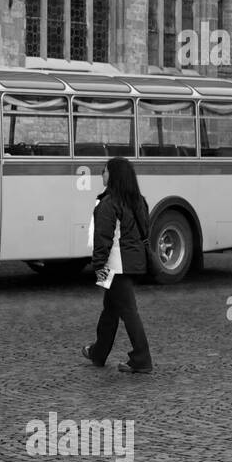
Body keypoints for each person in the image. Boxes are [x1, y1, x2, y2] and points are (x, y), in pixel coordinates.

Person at [83, 156, 153, 374]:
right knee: (110, 310)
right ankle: (98, 352)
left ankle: (142, 359)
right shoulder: (138, 200)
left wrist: (98, 268)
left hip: (113, 266)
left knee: (128, 311)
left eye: (104, 171)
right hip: (130, 264)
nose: (101, 175)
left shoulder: (108, 203)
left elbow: (102, 239)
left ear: (113, 175)